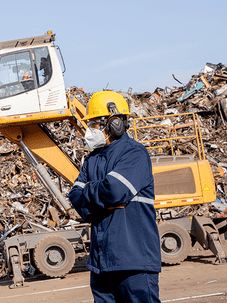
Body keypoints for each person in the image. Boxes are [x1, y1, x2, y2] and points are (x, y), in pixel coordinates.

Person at [68, 91, 161, 303]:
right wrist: (100, 203)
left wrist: (90, 192)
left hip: (133, 260)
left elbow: (114, 191)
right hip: (101, 263)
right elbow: (74, 196)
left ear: (115, 123)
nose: (91, 130)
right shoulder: (92, 159)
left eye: (96, 123)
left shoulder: (134, 154)